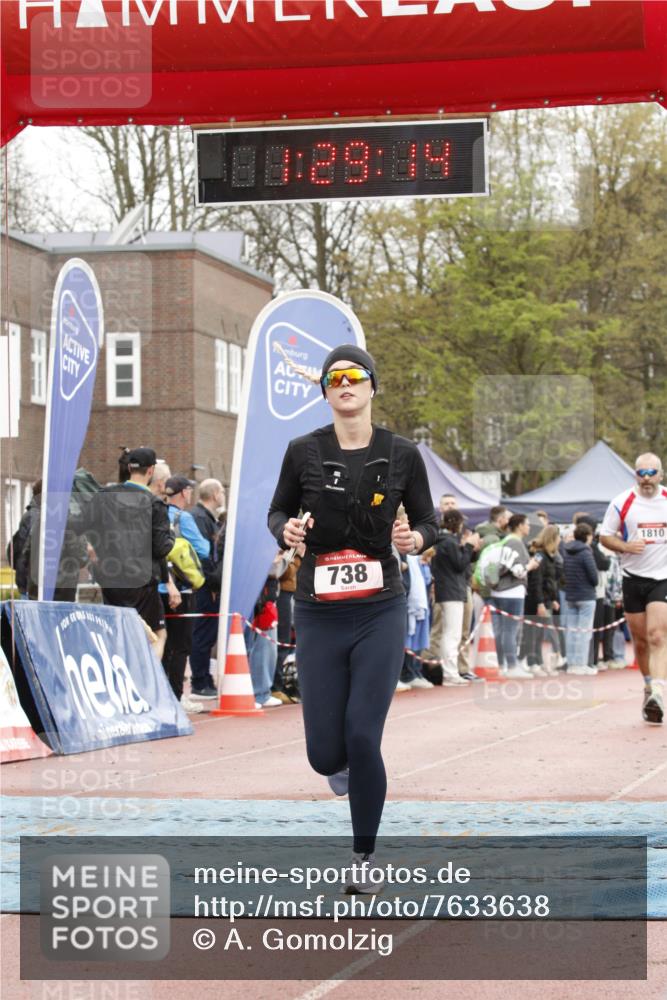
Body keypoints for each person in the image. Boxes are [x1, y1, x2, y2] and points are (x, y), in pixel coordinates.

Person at [268, 344, 438, 891]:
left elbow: (431, 522)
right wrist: (285, 531)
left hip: (379, 608)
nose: (345, 384)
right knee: (324, 753)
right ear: (324, 390)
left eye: (355, 376)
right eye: (334, 378)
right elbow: (278, 509)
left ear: (371, 386)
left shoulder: (404, 453)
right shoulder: (302, 450)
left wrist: (416, 538)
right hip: (318, 611)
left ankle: (364, 859)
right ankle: (340, 770)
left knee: (364, 736)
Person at [78, 447, 175, 659]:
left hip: (112, 580)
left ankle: (120, 680)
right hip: (142, 582)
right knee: (157, 635)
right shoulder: (154, 504)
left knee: (118, 635)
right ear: (151, 471)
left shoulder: (104, 496)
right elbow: (160, 548)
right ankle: (145, 682)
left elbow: (81, 526)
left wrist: (95, 551)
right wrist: (172, 536)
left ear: (130, 468)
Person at [600, 454, 667, 725]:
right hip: (632, 577)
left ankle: (660, 693)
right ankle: (649, 686)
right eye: (642, 472)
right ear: (635, 476)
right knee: (639, 641)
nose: (647, 477)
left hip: (662, 577)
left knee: (657, 635)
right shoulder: (621, 502)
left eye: (652, 472)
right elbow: (605, 536)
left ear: (661, 474)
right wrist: (627, 547)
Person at [159, 476, 210, 711]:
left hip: (157, 586)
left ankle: (159, 695)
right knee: (180, 646)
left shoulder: (157, 513)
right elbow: (204, 549)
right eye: (189, 490)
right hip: (181, 589)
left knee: (160, 643)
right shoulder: (184, 518)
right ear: (182, 493)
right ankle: (177, 696)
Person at [431, 509, 480, 685]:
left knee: (450, 633)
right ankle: (450, 673)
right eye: (460, 522)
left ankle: (450, 672)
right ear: (455, 523)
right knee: (452, 635)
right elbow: (459, 565)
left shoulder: (445, 541)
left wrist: (470, 549)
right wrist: (468, 546)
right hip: (451, 591)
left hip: (449, 590)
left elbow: (461, 562)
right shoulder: (448, 542)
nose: (462, 526)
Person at [489, 513, 538, 678]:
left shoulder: (503, 541)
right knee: (510, 630)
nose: (529, 527)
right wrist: (530, 565)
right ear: (520, 526)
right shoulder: (515, 543)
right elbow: (517, 570)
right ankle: (511, 665)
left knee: (501, 630)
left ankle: (502, 663)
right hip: (512, 591)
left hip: (498, 590)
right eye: (527, 524)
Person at [189, 479, 226, 698]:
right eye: (222, 490)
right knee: (202, 633)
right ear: (213, 494)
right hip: (206, 586)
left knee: (207, 633)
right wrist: (212, 581)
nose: (223, 494)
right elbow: (204, 554)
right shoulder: (199, 518)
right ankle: (199, 680)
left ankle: (204, 679)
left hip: (210, 584)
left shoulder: (208, 519)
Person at [523, 525, 561, 675]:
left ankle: (539, 662)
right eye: (558, 537)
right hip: (536, 600)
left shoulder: (549, 556)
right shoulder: (540, 556)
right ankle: (533, 663)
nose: (560, 541)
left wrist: (553, 599)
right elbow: (536, 581)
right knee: (534, 633)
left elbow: (550, 581)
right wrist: (539, 603)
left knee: (540, 633)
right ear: (553, 538)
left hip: (545, 599)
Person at [562, 522, 598, 675]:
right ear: (587, 536)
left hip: (571, 594)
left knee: (571, 631)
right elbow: (594, 577)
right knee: (584, 632)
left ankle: (572, 664)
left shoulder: (566, 551)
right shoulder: (586, 552)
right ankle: (581, 664)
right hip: (586, 595)